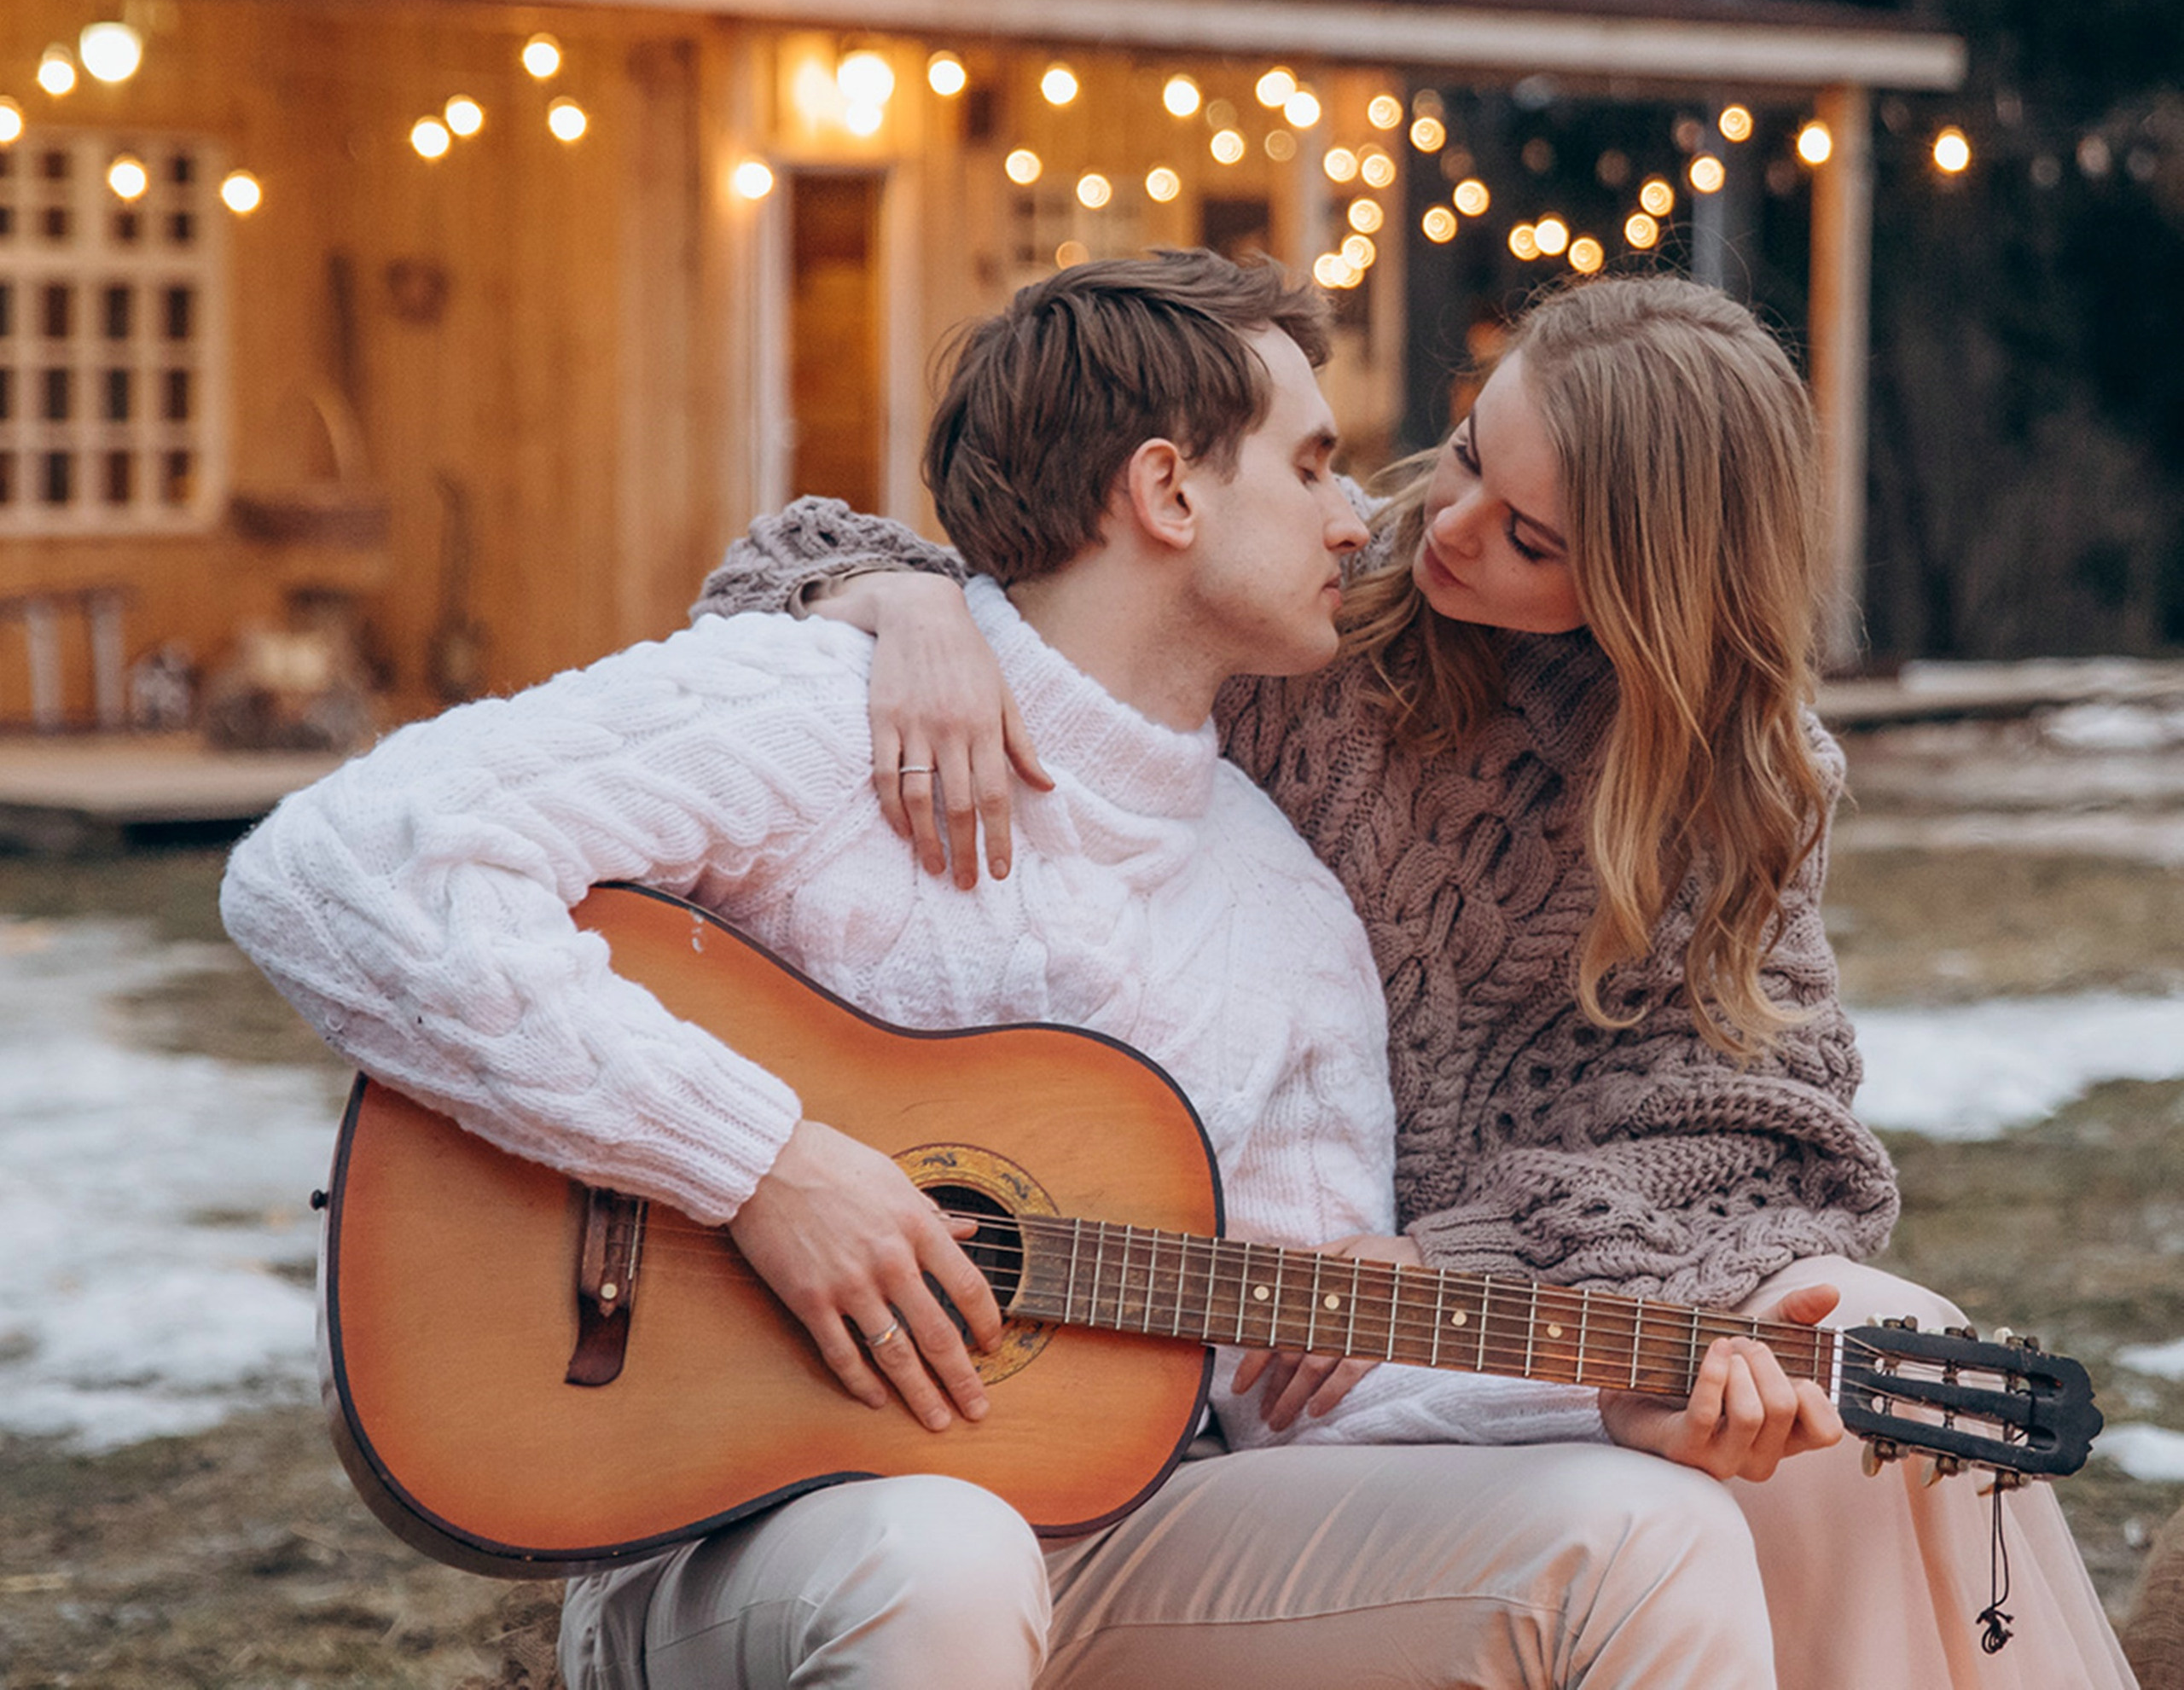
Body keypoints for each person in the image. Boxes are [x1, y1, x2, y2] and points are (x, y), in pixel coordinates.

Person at [221, 253, 1830, 1690]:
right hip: (733, 1531)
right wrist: (766, 1166)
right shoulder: (824, 708)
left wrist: (1603, 1392)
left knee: (1644, 1532)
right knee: (947, 1556)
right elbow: (338, 866)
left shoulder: (1290, 923)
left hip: (1112, 1535)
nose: (1370, 518)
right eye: (1316, 462)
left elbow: (1298, 1389)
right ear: (1168, 493)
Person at [696, 268, 2135, 1690]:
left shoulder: (1742, 791)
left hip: (1500, 1296)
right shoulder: (1309, 612)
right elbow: (1031, 574)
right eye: (1464, 455)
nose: (1441, 529)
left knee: (1876, 1360)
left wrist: (1461, 1255)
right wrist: (900, 601)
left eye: (1529, 537)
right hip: (1194, 1263)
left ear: (1649, 590)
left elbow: (1776, 1145)